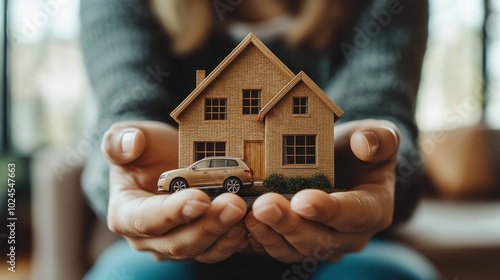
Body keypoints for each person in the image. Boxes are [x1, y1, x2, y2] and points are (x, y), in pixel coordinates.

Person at [80, 0, 439, 279]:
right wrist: (127, 153)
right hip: (172, 253)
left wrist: (375, 156)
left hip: (347, 250)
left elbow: (382, 111)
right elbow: (124, 111)